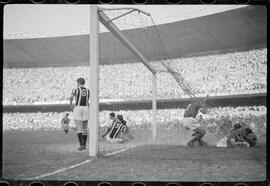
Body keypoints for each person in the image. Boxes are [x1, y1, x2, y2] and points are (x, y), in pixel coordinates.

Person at [70, 78, 90, 151]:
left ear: (78, 83)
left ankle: (81, 145)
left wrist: (71, 105)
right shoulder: (88, 90)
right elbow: (87, 101)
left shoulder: (76, 89)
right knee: (85, 127)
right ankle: (84, 144)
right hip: (86, 108)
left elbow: (71, 97)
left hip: (78, 108)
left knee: (79, 127)